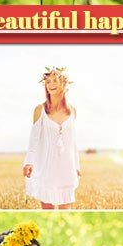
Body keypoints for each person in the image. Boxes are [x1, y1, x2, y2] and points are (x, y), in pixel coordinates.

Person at [24, 69, 80, 209]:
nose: (51, 84)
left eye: (55, 80)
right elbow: (33, 140)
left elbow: (72, 142)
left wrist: (77, 166)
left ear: (64, 84)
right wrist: (28, 162)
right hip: (47, 166)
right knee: (47, 209)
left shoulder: (72, 111)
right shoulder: (40, 110)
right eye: (48, 82)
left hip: (66, 167)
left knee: (65, 210)